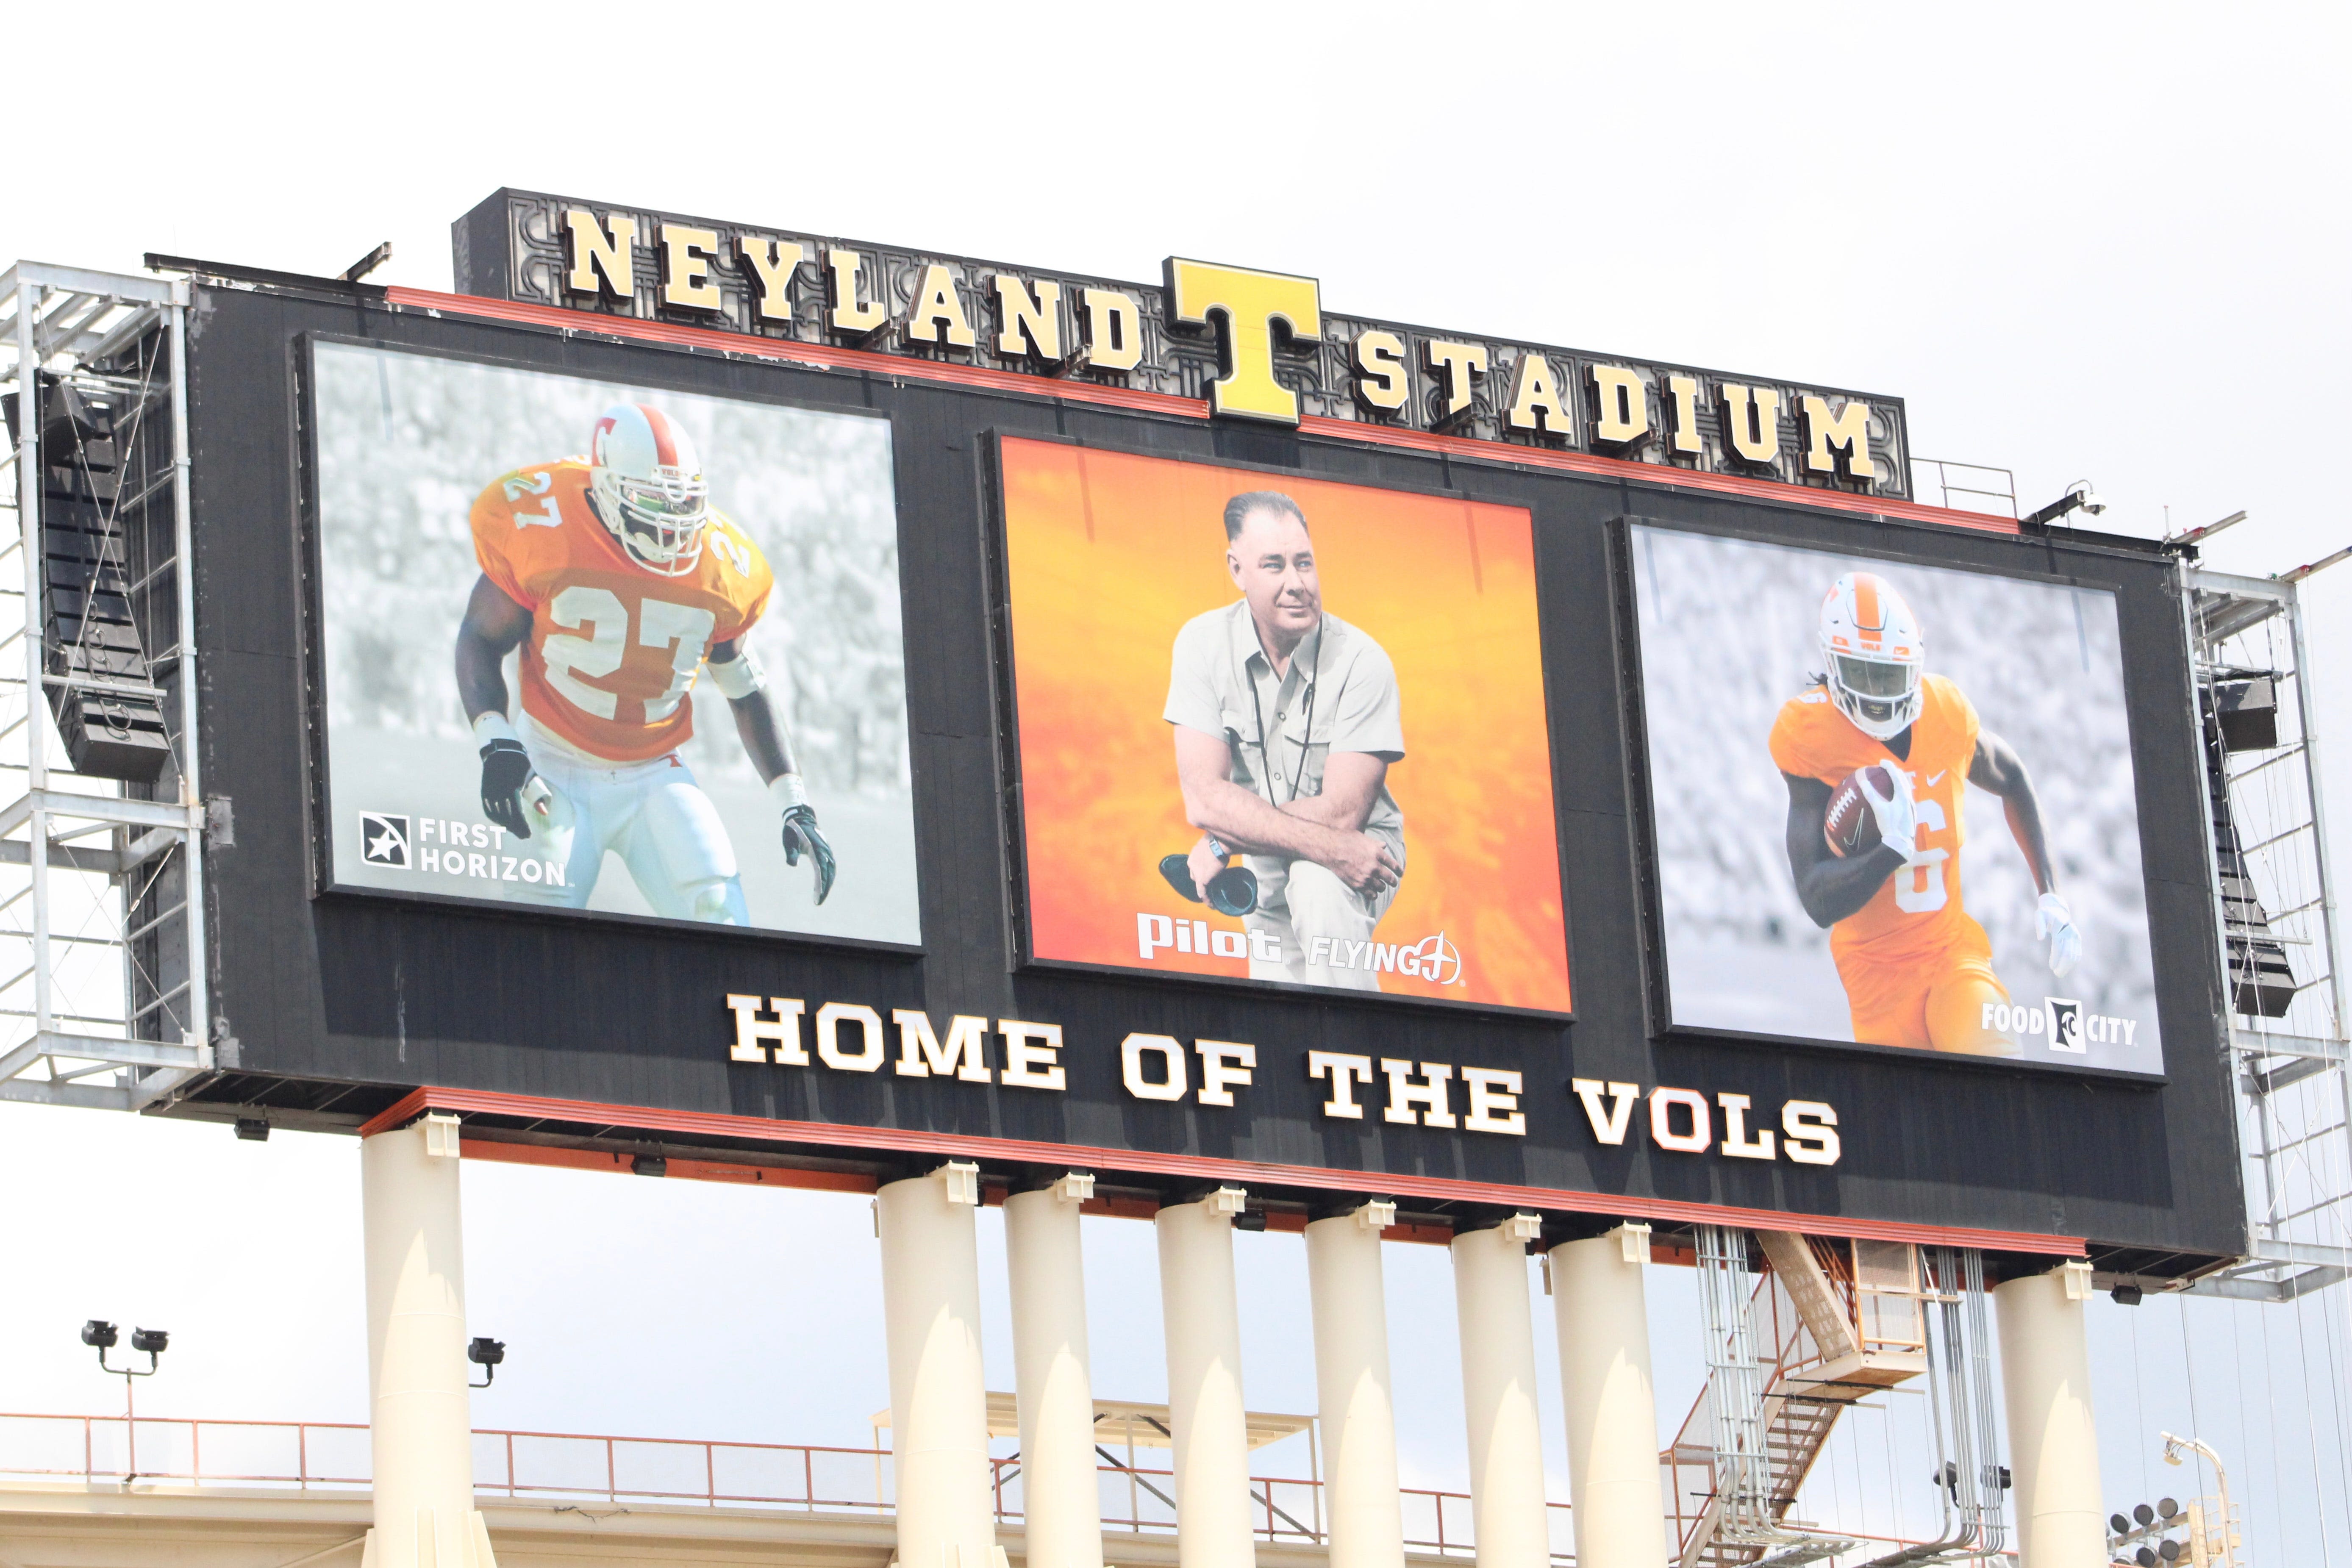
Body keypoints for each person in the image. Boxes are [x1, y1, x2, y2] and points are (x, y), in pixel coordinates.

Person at [452, 402, 834, 923]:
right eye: (653, 503)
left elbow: (745, 685)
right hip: (550, 760)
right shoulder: (546, 524)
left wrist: (795, 801)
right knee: (535, 936)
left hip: (654, 772)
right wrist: (496, 741)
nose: (673, 527)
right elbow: (480, 636)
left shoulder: (719, 567)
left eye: (684, 506)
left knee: (722, 918)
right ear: (606, 488)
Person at [1769, 571, 2079, 1054]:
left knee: (1998, 1073)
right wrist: (1887, 854)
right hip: (1876, 978)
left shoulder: (1945, 712)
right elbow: (1816, 900)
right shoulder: (1810, 734)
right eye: (1863, 672)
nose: (1876, 690)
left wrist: (2051, 894)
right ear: (1832, 664)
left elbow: (2013, 777)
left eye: (1889, 673)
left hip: (1951, 954)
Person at [1162, 489, 1404, 991]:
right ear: (1236, 570)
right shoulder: (1200, 644)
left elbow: (1341, 816)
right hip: (1259, 856)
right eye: (1274, 565)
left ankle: (1356, 1053)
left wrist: (1222, 839)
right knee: (1283, 1022)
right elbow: (1205, 798)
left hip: (1363, 851)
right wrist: (1225, 833)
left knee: (1317, 885)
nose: (1297, 583)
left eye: (1305, 563)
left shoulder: (1363, 660)